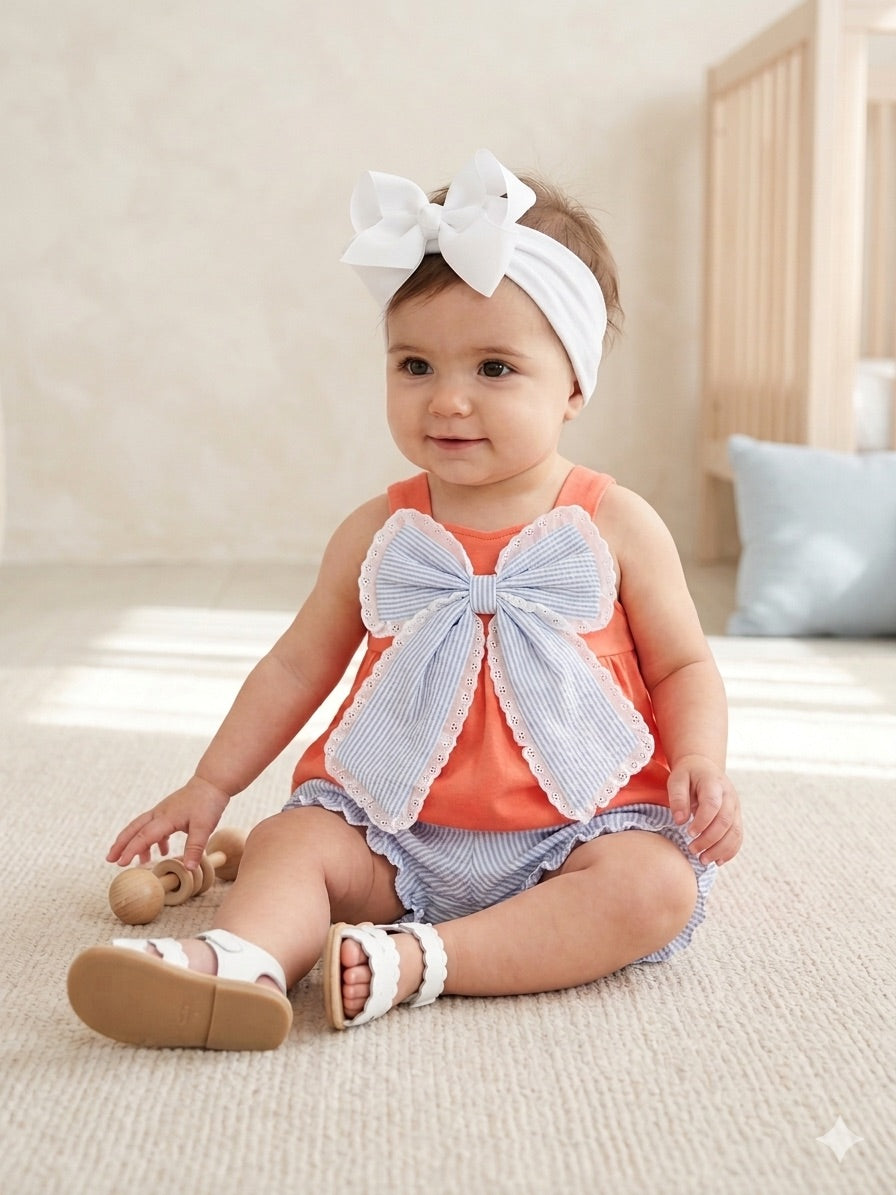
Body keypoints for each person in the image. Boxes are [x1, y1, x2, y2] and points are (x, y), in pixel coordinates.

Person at [67, 149, 742, 1050]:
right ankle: (242, 961)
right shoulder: (378, 529)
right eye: (416, 364)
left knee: (656, 887)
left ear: (574, 384)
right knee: (289, 841)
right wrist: (211, 781)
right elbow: (297, 665)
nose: (448, 401)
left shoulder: (615, 522)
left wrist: (700, 758)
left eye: (494, 368)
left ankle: (422, 960)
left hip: (576, 831)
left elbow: (684, 663)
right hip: (393, 827)